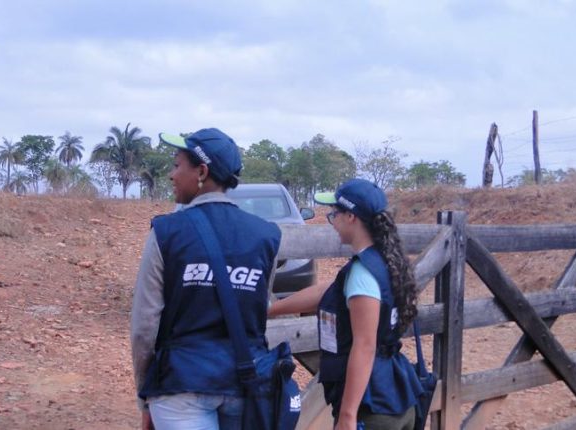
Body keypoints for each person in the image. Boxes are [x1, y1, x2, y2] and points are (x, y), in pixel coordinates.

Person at [130, 128, 282, 430]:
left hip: (180, 385)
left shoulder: (166, 232)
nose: (172, 175)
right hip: (245, 383)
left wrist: (146, 394)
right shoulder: (267, 236)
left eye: (177, 165)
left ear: (201, 171)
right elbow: (258, 310)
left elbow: (144, 326)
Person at [269, 179, 423, 430]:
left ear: (351, 217)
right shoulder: (384, 260)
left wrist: (348, 416)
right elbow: (328, 291)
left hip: (372, 408)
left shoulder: (363, 271)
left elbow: (364, 346)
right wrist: (270, 310)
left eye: (334, 214)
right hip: (395, 395)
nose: (332, 221)